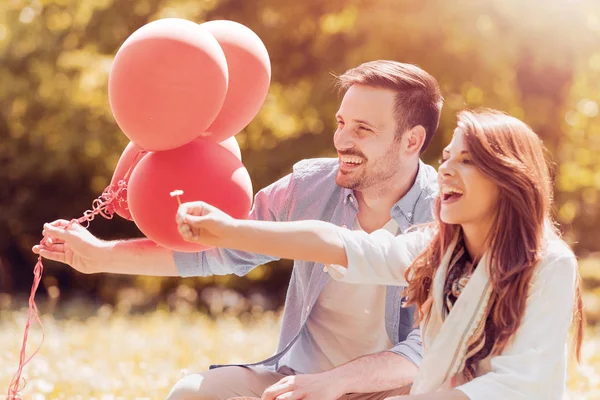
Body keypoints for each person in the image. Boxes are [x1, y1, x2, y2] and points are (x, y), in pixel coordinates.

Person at [34, 60, 444, 400]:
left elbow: (430, 350)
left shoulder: (446, 214)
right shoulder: (309, 186)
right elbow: (220, 245)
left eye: (363, 129)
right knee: (192, 394)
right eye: (341, 123)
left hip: (395, 387)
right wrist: (102, 255)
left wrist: (334, 384)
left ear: (412, 141)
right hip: (294, 378)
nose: (341, 140)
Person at [173, 109, 586, 400]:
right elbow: (342, 245)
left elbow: (520, 386)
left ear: (509, 178)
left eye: (467, 161)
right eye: (445, 159)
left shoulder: (549, 264)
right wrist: (230, 229)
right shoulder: (438, 249)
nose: (444, 171)